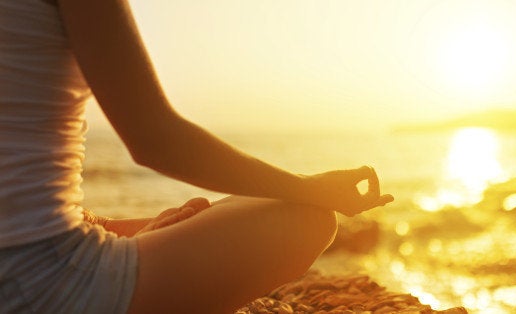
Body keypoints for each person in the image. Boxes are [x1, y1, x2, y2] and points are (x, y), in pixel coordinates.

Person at [0, 0, 394, 313]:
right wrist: (310, 188)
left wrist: (114, 227)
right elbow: (156, 140)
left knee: (199, 214)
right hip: (44, 286)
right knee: (306, 218)